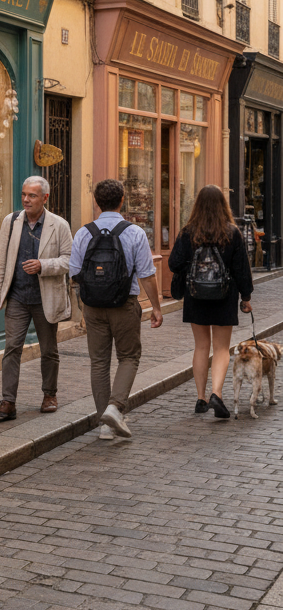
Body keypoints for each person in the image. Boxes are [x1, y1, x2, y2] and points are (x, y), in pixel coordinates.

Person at [69, 178, 164, 440]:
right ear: (122, 200)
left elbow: (75, 272)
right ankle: (115, 407)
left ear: (96, 202)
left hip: (93, 307)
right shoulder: (134, 233)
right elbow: (147, 274)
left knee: (99, 362)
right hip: (124, 304)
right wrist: (156, 307)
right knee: (129, 357)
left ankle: (106, 425)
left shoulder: (83, 232)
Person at [0, 177, 73, 420]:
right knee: (12, 348)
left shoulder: (59, 225)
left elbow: (70, 260)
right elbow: (0, 258)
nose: (26, 199)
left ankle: (49, 395)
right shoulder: (11, 221)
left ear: (45, 198)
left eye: (32, 196)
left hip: (45, 298)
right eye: (24, 194)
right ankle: (8, 401)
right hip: (16, 296)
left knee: (48, 350)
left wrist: (43, 265)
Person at [168, 184, 253, 418]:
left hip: (196, 295)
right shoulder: (231, 232)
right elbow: (241, 269)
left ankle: (201, 398)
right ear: (222, 206)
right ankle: (217, 393)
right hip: (224, 296)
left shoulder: (188, 232)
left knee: (201, 346)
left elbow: (173, 263)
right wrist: (245, 298)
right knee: (222, 348)